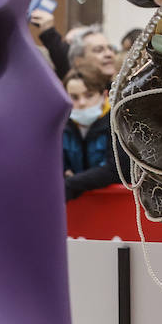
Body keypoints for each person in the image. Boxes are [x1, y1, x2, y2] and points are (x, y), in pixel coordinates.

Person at [62, 71, 119, 200]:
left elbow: (115, 169)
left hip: (113, 205)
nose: (82, 103)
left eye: (89, 95)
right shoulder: (60, 127)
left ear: (104, 95)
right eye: (74, 97)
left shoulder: (118, 123)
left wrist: (73, 183)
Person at [68, 27, 119, 92]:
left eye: (110, 48)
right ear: (78, 61)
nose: (109, 54)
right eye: (99, 50)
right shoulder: (68, 97)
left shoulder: (122, 93)